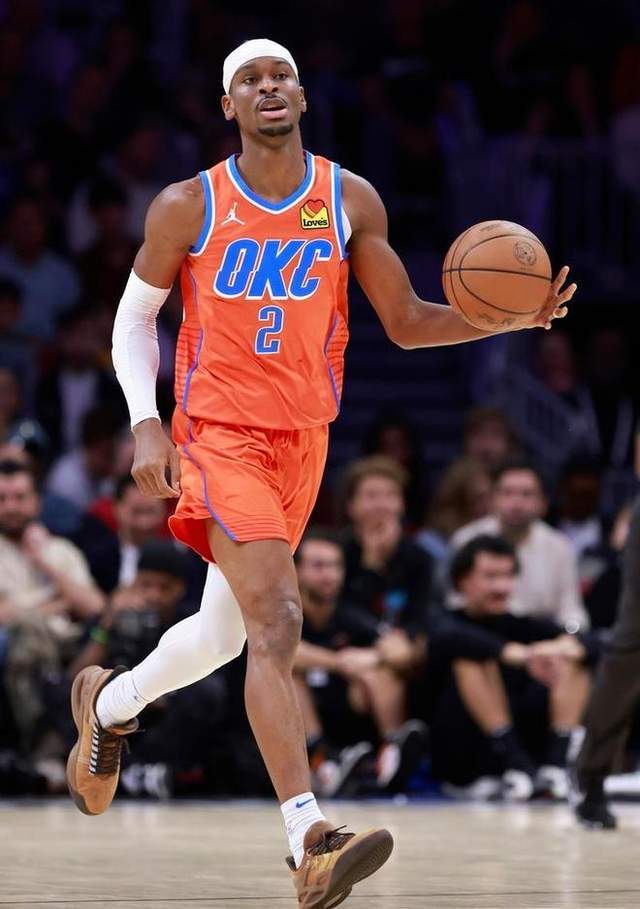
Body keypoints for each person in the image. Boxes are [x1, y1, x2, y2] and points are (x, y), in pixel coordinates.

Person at [65, 39, 575, 907]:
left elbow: (407, 321)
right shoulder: (189, 203)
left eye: (281, 76)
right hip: (219, 434)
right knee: (280, 621)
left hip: (303, 442)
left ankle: (109, 705)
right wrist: (146, 424)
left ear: (302, 96)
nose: (269, 87)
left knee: (225, 637)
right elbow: (132, 321)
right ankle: (309, 835)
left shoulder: (348, 197)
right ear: (228, 105)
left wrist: (506, 318)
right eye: (250, 80)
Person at [429, 536, 594, 801]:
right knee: (472, 658)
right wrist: (512, 653)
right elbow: (447, 637)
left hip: (530, 749)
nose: (502, 587)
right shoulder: (443, 620)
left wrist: (564, 648)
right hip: (464, 758)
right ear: (463, 581)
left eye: (508, 576)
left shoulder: (519, 624)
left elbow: (594, 642)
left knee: (571, 656)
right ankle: (515, 762)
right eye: (491, 577)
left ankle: (559, 765)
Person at [294, 529, 425, 796]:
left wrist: (373, 657)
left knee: (380, 673)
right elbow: (283, 652)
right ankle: (321, 761)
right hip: (297, 718)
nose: (329, 574)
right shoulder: (283, 612)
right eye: (319, 566)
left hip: (346, 707)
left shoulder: (350, 614)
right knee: (288, 675)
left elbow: (402, 652)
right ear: (295, 571)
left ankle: (392, 751)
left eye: (335, 566)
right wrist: (339, 662)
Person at [451, 460, 588, 629]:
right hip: (480, 632)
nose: (516, 503)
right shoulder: (466, 539)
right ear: (493, 498)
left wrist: (572, 633)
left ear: (543, 503)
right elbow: (455, 601)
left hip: (542, 635)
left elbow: (571, 609)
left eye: (526, 494)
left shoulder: (560, 547)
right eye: (507, 493)